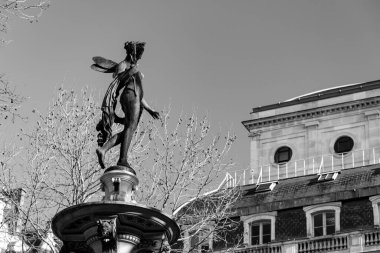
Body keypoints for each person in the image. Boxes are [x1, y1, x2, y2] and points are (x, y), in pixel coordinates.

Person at [93, 41, 159, 169]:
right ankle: (122, 160)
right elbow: (118, 81)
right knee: (130, 128)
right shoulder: (123, 65)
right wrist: (131, 70)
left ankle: (104, 150)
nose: (139, 59)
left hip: (135, 96)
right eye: (138, 56)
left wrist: (150, 109)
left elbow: (140, 94)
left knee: (129, 129)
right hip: (130, 95)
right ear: (132, 54)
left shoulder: (132, 67)